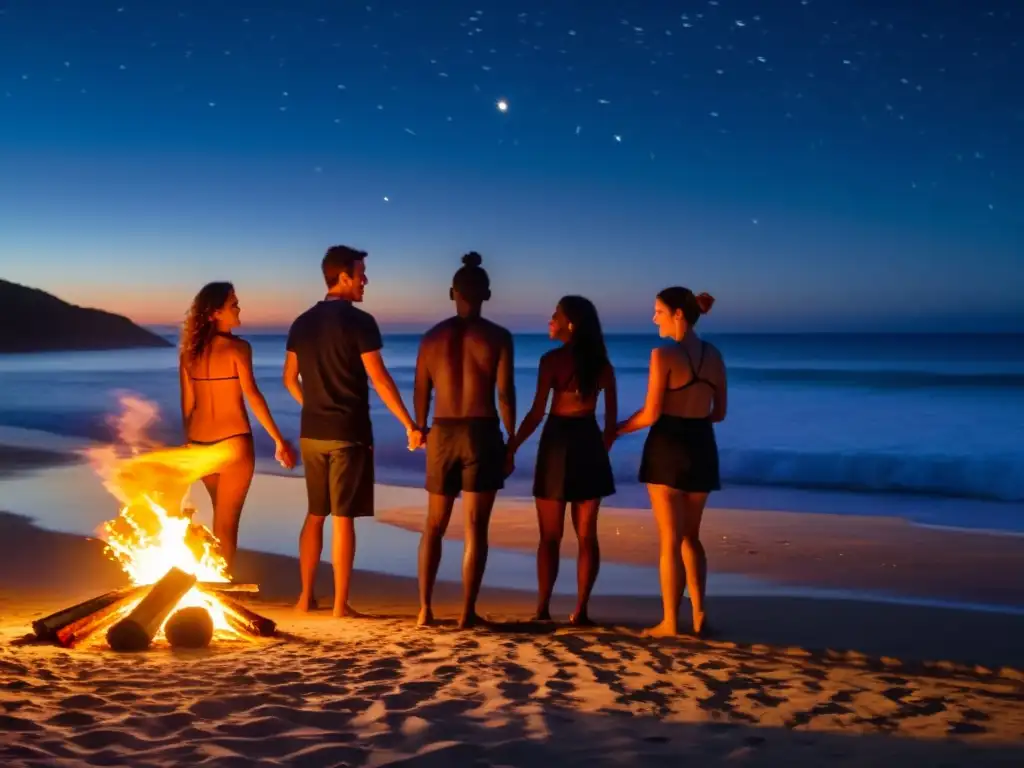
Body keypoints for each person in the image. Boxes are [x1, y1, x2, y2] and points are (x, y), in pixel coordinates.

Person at [283, 246, 423, 618]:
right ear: (342, 277)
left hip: (311, 432)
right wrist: (410, 425)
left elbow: (288, 379)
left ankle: (304, 597)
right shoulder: (361, 322)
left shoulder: (302, 322)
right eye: (360, 273)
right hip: (348, 432)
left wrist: (312, 405)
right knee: (342, 516)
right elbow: (379, 378)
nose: (365, 280)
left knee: (315, 513)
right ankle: (341, 605)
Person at [413, 251, 516, 628]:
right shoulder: (499, 337)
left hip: (442, 431)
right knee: (476, 527)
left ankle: (425, 609)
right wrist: (512, 438)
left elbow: (421, 389)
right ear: (487, 294)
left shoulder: (430, 338)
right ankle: (466, 612)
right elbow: (505, 394)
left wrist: (419, 427)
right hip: (481, 431)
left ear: (451, 292)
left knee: (433, 525)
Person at [616, 287, 727, 637]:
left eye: (658, 311)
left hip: (668, 448)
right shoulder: (715, 356)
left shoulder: (663, 355)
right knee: (691, 536)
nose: (654, 318)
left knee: (669, 539)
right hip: (702, 447)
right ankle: (699, 612)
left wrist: (616, 430)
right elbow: (719, 413)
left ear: (678, 314)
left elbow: (650, 414)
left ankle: (669, 621)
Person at [508, 296, 616, 626]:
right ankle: (581, 610)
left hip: (556, 443)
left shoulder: (551, 361)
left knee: (549, 537)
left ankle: (542, 608)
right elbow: (610, 425)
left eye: (556, 315)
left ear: (571, 323)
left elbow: (537, 412)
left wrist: (510, 446)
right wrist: (598, 455)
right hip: (588, 441)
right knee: (587, 536)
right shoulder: (603, 365)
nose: (550, 319)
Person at [179, 282, 296, 573]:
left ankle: (210, 580)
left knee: (219, 513)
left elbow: (188, 407)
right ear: (215, 313)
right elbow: (253, 395)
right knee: (227, 523)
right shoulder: (239, 348)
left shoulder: (188, 355)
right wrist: (278, 440)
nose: (239, 309)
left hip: (199, 446)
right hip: (232, 444)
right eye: (233, 305)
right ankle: (221, 586)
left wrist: (188, 449)